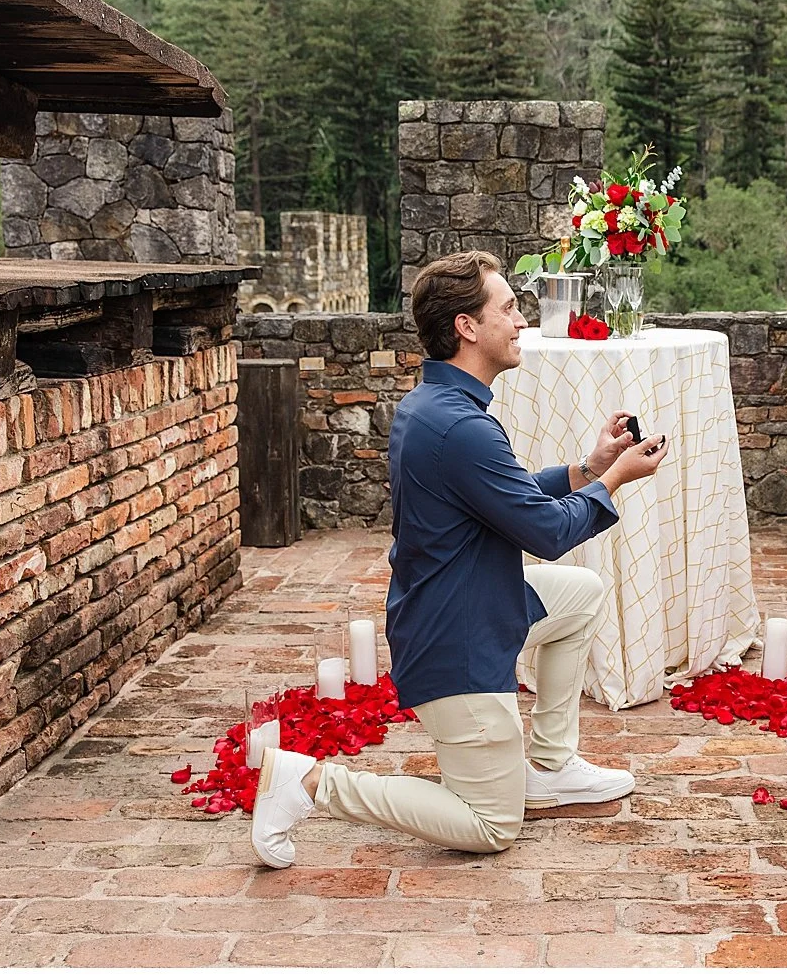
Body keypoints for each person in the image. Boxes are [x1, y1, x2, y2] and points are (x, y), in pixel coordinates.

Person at [250, 249, 669, 869]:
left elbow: (505, 493)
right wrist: (616, 484)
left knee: (581, 594)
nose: (522, 321)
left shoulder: (438, 407)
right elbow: (546, 532)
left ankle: (550, 766)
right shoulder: (460, 425)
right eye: (509, 308)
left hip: (462, 602)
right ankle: (309, 783)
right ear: (468, 327)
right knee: (492, 824)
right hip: (457, 641)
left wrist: (590, 467)